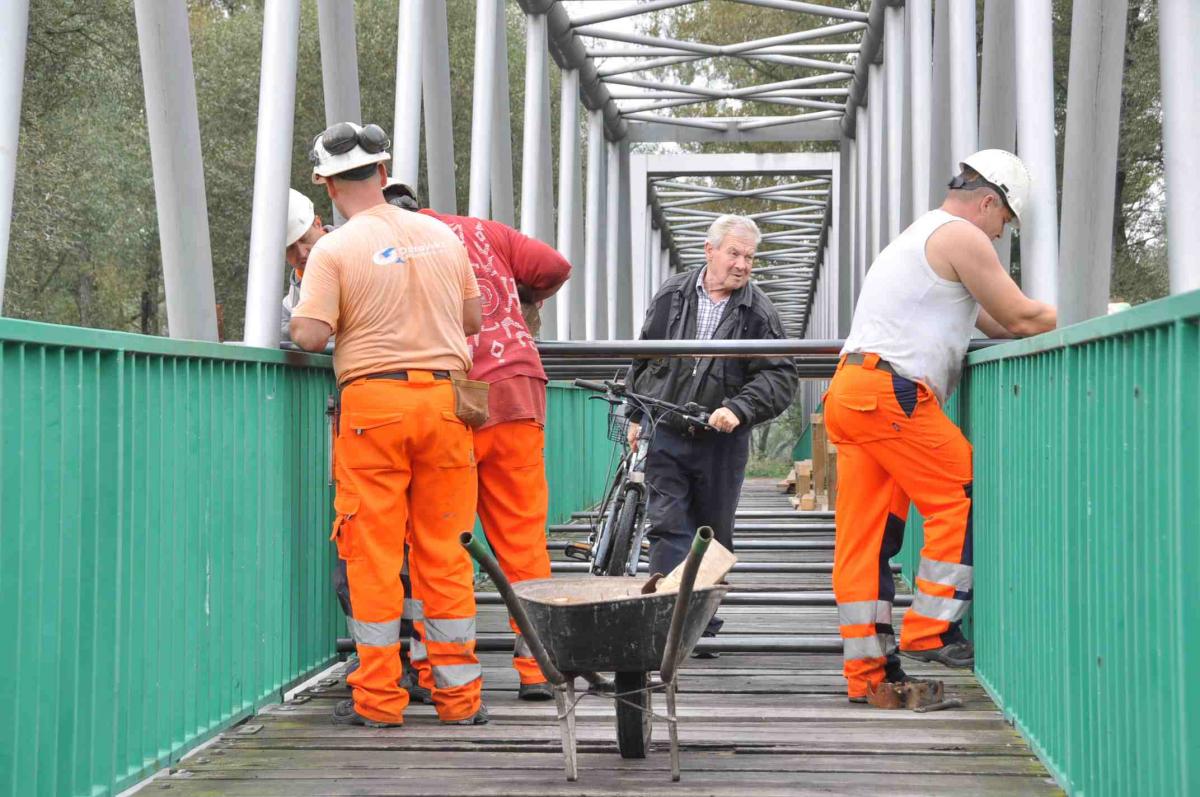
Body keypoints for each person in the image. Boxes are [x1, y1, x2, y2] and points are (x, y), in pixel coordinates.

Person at [826, 149, 1056, 704]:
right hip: (891, 394)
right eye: (1005, 222)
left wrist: (1028, 321)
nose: (1001, 237)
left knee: (868, 540)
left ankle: (870, 676)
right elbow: (1024, 316)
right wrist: (1094, 313)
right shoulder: (962, 236)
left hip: (853, 390)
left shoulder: (921, 236)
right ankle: (931, 630)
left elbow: (998, 322)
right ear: (987, 202)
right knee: (962, 490)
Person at [290, 122, 487, 727]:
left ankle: (379, 703)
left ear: (326, 185)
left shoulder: (333, 250)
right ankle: (459, 699)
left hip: (374, 407)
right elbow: (474, 320)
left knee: (373, 554)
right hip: (449, 405)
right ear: (383, 173)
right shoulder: (443, 237)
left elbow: (311, 333)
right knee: (446, 551)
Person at [384, 178, 572, 701]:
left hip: (453, 401)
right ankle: (538, 667)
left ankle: (439, 674)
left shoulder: (390, 245)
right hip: (518, 388)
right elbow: (555, 265)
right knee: (523, 541)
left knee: (438, 543)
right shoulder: (483, 230)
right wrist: (523, 294)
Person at [626, 214, 799, 644]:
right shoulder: (673, 295)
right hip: (667, 426)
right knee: (667, 524)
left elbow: (780, 377)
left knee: (712, 530)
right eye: (734, 253)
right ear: (710, 251)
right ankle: (670, 619)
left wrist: (739, 409)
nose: (742, 264)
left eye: (749, 257)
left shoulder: (758, 311)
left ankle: (699, 618)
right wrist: (634, 413)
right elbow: (644, 354)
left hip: (720, 440)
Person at [281, 188, 330, 341]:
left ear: (318, 223)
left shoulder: (353, 254)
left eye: (304, 239)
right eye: (290, 248)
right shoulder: (296, 286)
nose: (302, 253)